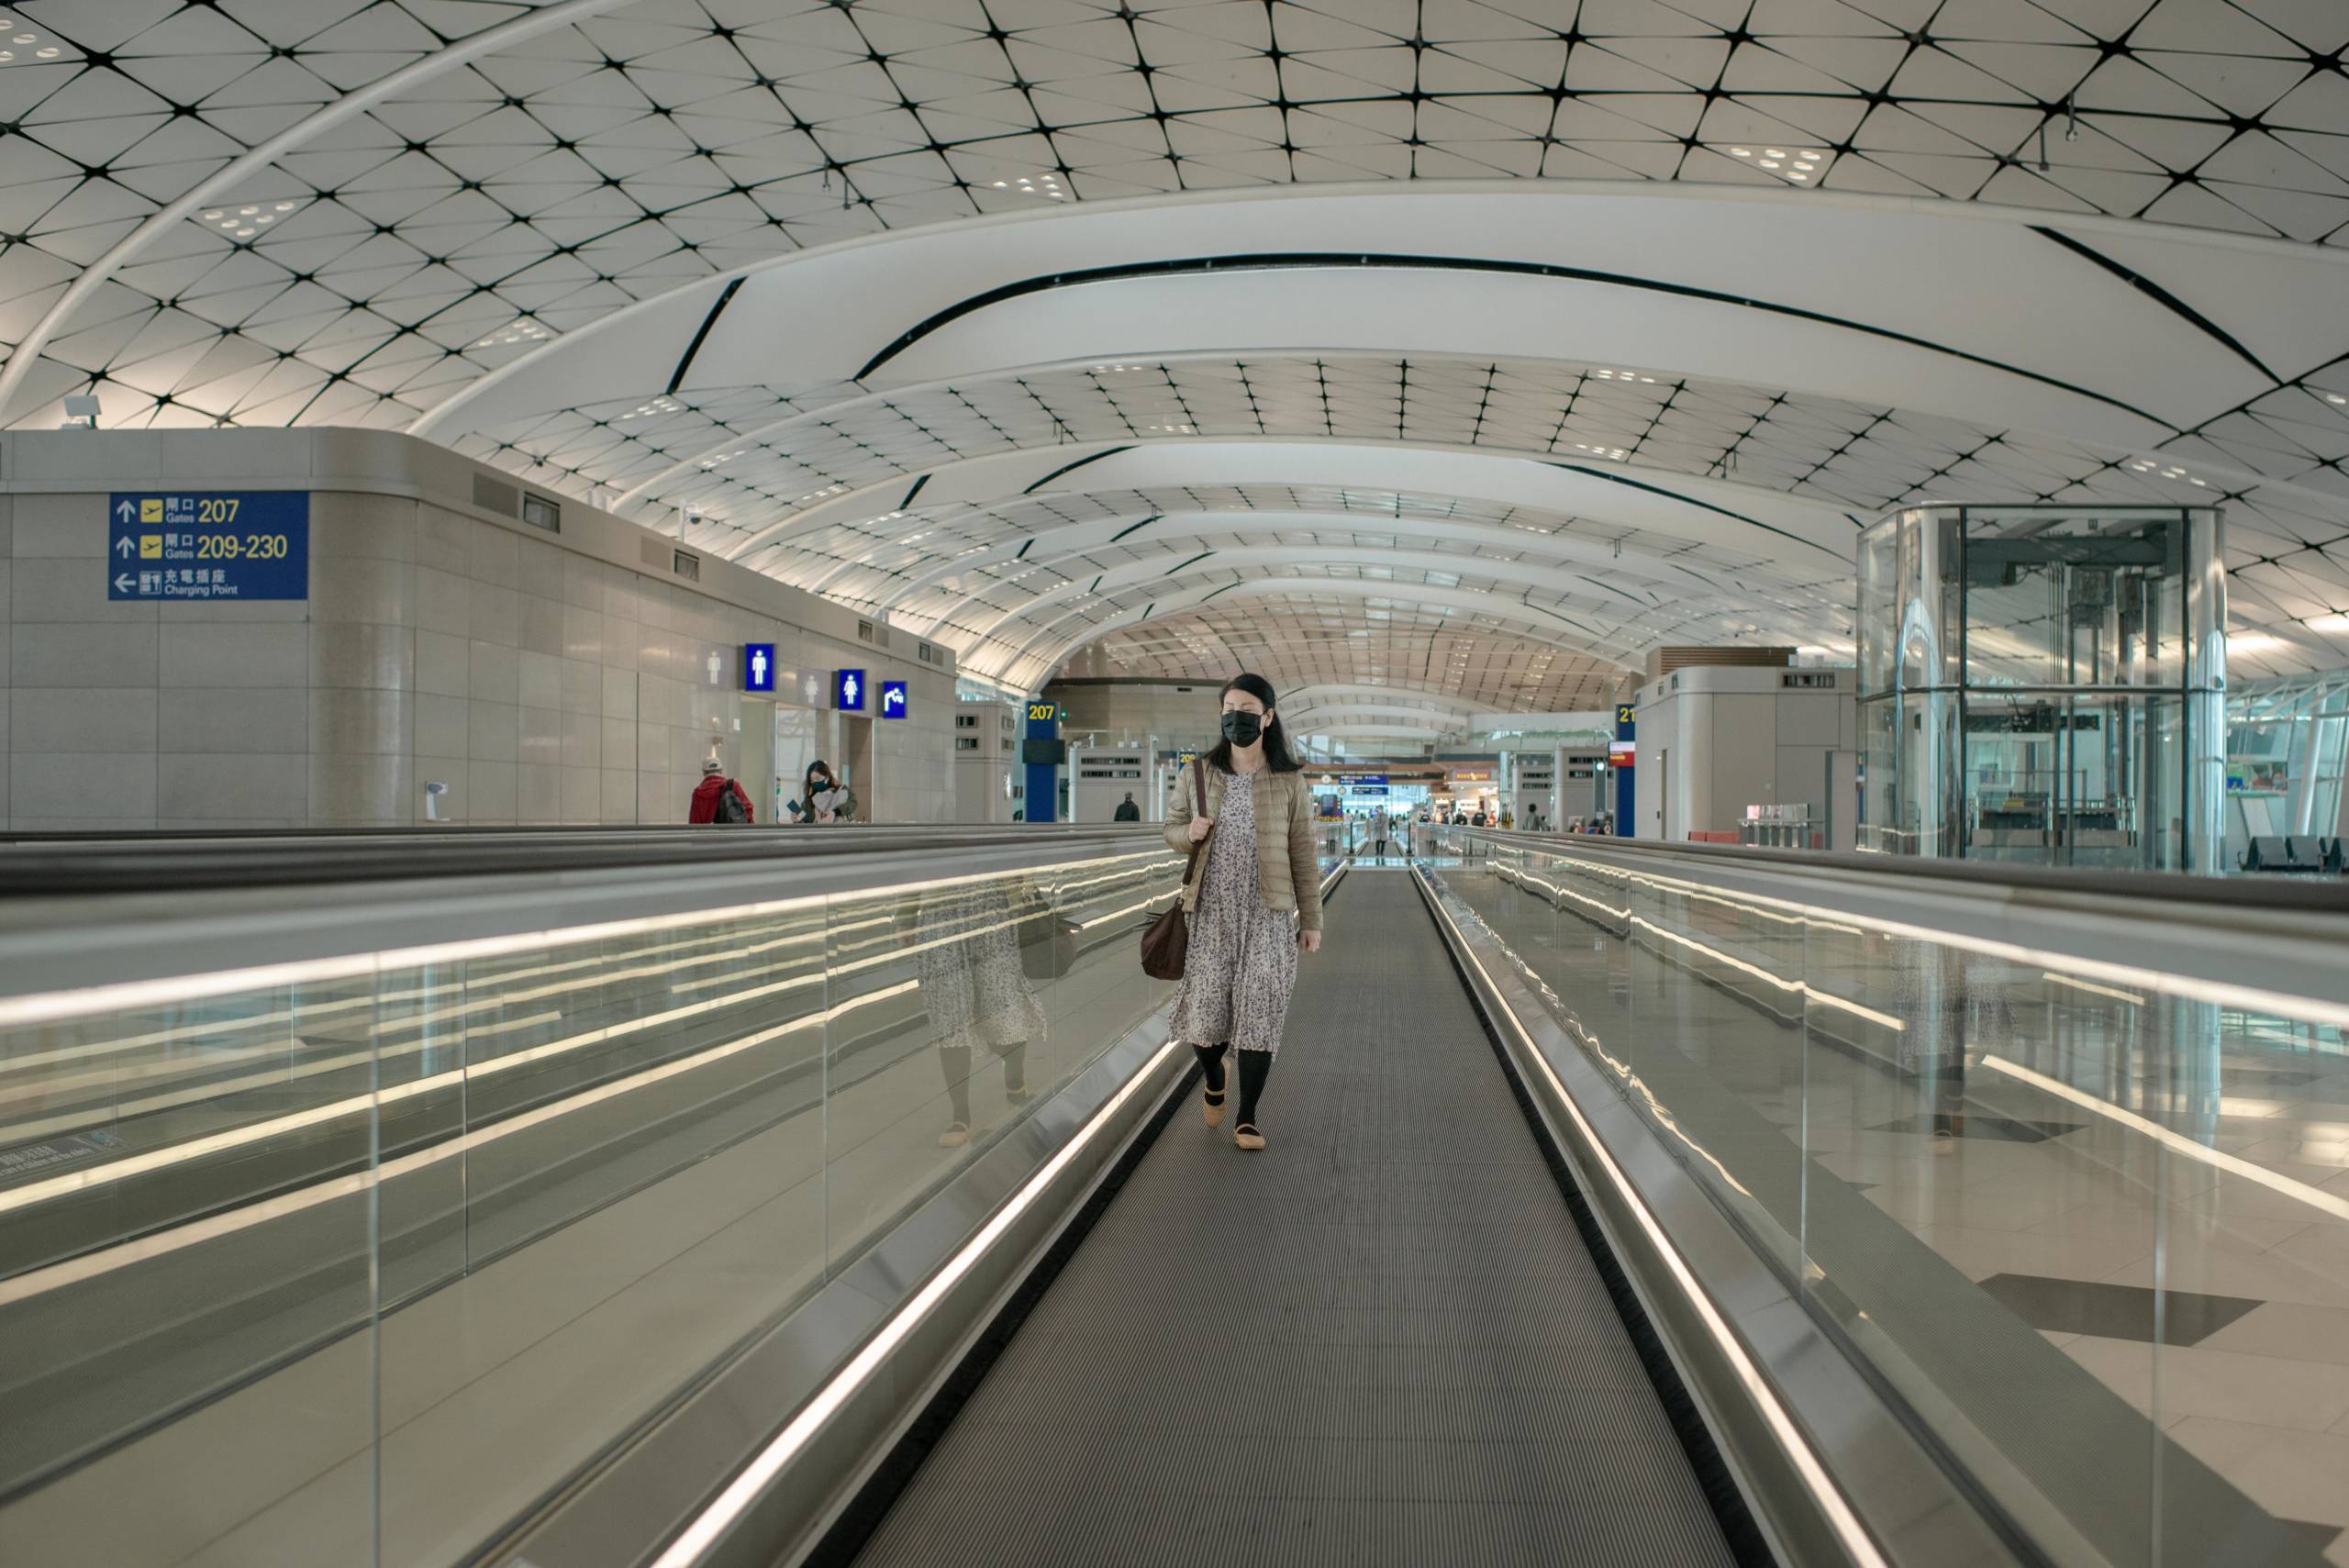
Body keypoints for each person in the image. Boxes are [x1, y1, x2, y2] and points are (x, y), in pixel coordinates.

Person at [1163, 673, 1322, 1151]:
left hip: (1268, 915)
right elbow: (1171, 829)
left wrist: (1311, 920)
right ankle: (1215, 1076)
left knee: (1259, 1015)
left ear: (1267, 718)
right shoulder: (1199, 773)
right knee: (1206, 1023)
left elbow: (1303, 852)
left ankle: (1247, 1117)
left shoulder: (1288, 780)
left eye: (1247, 710)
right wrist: (1188, 832)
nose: (1237, 718)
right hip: (1211, 914)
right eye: (1229, 709)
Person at [688, 757, 753, 824]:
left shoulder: (698, 793)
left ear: (704, 772)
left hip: (709, 830)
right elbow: (747, 809)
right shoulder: (733, 786)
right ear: (721, 770)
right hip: (732, 829)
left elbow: (694, 822)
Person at [787, 760, 854, 824]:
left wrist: (835, 812)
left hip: (841, 830)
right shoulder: (809, 801)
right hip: (819, 831)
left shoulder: (841, 791)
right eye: (812, 780)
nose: (815, 782)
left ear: (827, 777)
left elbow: (852, 803)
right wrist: (797, 821)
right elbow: (806, 825)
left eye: (817, 778)